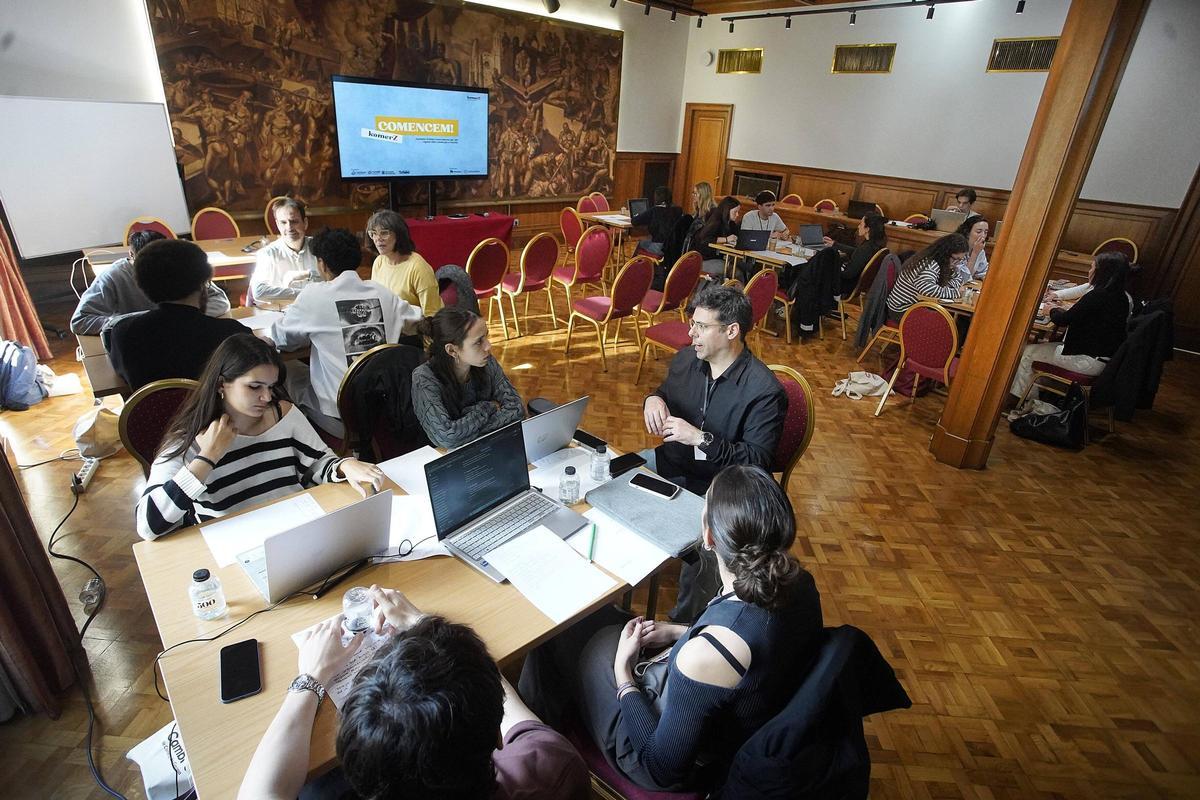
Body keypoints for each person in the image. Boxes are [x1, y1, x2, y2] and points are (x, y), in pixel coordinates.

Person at [519, 465, 823, 792]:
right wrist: (681, 632)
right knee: (601, 623)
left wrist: (623, 675)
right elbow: (750, 634)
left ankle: (540, 753)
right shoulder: (799, 584)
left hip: (660, 759)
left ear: (709, 537)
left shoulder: (708, 654)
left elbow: (660, 767)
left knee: (565, 631)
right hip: (741, 713)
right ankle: (547, 726)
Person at [237, 595, 589, 800]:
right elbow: (510, 707)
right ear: (497, 736)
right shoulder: (554, 767)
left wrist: (311, 678)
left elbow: (259, 792)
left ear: (362, 782)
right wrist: (428, 626)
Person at [135, 334, 384, 540]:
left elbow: (317, 463)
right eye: (254, 387)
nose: (266, 397)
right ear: (221, 385)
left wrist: (343, 465)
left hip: (297, 528)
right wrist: (207, 458)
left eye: (271, 386)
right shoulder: (187, 440)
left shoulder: (283, 414)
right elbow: (147, 527)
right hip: (234, 543)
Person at [642, 284, 787, 622]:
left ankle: (683, 627)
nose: (690, 333)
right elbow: (664, 391)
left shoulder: (765, 391)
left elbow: (756, 463)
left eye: (701, 326)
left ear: (731, 331)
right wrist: (653, 399)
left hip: (722, 487)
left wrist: (700, 438)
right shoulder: (686, 359)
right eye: (692, 323)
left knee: (709, 551)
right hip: (674, 463)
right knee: (613, 476)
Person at [271, 227, 423, 438]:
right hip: (387, 405)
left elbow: (281, 339)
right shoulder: (382, 292)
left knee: (289, 367)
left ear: (322, 264)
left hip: (343, 417)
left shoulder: (313, 296)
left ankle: (310, 441)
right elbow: (418, 317)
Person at [106, 239, 246, 391]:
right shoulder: (232, 334)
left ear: (142, 286)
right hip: (214, 407)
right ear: (203, 284)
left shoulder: (123, 333)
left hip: (151, 407)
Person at [1010, 252, 1130, 400]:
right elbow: (1079, 314)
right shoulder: (1122, 297)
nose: (1089, 271)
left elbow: (1063, 320)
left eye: (1092, 268)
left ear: (1102, 272)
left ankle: (1022, 400)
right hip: (1103, 359)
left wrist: (1051, 310)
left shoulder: (1097, 295)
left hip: (1086, 360)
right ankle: (1037, 389)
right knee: (1041, 348)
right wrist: (1059, 309)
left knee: (1026, 352)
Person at [70, 230, 230, 336]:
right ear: (131, 255)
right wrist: (137, 321)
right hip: (138, 338)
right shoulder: (113, 275)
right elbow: (80, 321)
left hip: (177, 336)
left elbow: (220, 301)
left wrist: (177, 319)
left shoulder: (178, 266)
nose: (158, 269)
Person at [410, 307, 524, 448]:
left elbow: (517, 409)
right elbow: (448, 438)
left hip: (492, 446)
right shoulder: (424, 379)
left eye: (486, 336)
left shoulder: (486, 361)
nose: (488, 346)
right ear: (452, 350)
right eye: (478, 342)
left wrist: (466, 425)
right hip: (445, 456)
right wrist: (488, 407)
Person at [366, 209, 443, 314]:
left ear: (399, 235)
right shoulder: (379, 262)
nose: (378, 238)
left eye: (384, 233)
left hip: (416, 323)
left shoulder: (418, 267)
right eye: (373, 233)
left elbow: (432, 314)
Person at [885, 233, 969, 322]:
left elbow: (958, 277)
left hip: (914, 307)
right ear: (945, 253)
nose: (956, 263)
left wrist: (947, 287)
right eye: (955, 259)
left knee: (956, 320)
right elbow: (928, 290)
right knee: (954, 322)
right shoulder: (930, 264)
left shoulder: (942, 263)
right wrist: (956, 292)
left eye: (960, 260)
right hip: (902, 311)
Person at [252, 197, 321, 301]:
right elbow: (259, 291)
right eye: (283, 222)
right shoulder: (268, 254)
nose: (289, 228)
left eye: (294, 221)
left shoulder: (320, 246)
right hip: (284, 310)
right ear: (277, 224)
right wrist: (303, 294)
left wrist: (309, 274)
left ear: (305, 223)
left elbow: (336, 280)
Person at [823, 212, 888, 297]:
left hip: (846, 285)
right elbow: (857, 252)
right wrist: (834, 244)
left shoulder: (866, 249)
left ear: (867, 229)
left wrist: (831, 269)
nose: (858, 226)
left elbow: (848, 274)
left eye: (861, 224)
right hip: (858, 284)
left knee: (818, 269)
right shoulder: (875, 244)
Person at [695, 196, 743, 277]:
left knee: (742, 269)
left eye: (738, 212)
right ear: (727, 210)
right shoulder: (716, 222)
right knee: (736, 273)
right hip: (706, 259)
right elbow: (706, 239)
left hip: (721, 258)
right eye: (735, 212)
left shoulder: (731, 224)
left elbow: (737, 237)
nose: (737, 215)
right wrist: (726, 239)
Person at [630, 186, 682, 257]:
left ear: (657, 198)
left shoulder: (655, 210)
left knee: (639, 244)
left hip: (659, 248)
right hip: (675, 247)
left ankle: (635, 263)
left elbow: (634, 221)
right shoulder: (678, 210)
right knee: (646, 241)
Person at [954, 215, 989, 281]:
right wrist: (975, 253)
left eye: (985, 232)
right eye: (979, 232)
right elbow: (962, 279)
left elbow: (983, 272)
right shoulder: (956, 249)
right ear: (967, 232)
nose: (983, 236)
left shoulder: (980, 251)